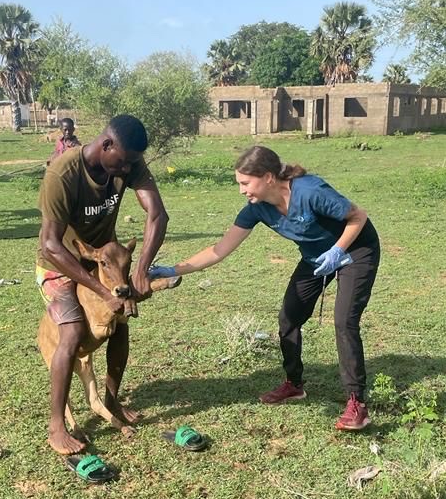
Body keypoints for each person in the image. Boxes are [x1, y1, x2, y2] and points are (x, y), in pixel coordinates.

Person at [149, 145, 380, 430]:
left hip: (356, 250)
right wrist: (174, 269)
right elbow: (219, 250)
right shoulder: (257, 209)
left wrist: (337, 251)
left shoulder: (309, 191)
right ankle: (294, 384)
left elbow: (359, 216)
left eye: (245, 183)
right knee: (289, 319)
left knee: (344, 321)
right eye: (239, 184)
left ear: (268, 177)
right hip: (315, 258)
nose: (242, 190)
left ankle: (357, 403)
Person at [36, 114, 169, 455]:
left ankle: (112, 401)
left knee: (120, 323)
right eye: (122, 162)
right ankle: (56, 426)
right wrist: (101, 291)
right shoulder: (62, 174)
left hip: (107, 262)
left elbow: (157, 214)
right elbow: (51, 244)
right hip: (60, 264)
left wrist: (140, 270)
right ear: (106, 145)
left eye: (131, 165)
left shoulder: (128, 163)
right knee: (72, 329)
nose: (126, 170)